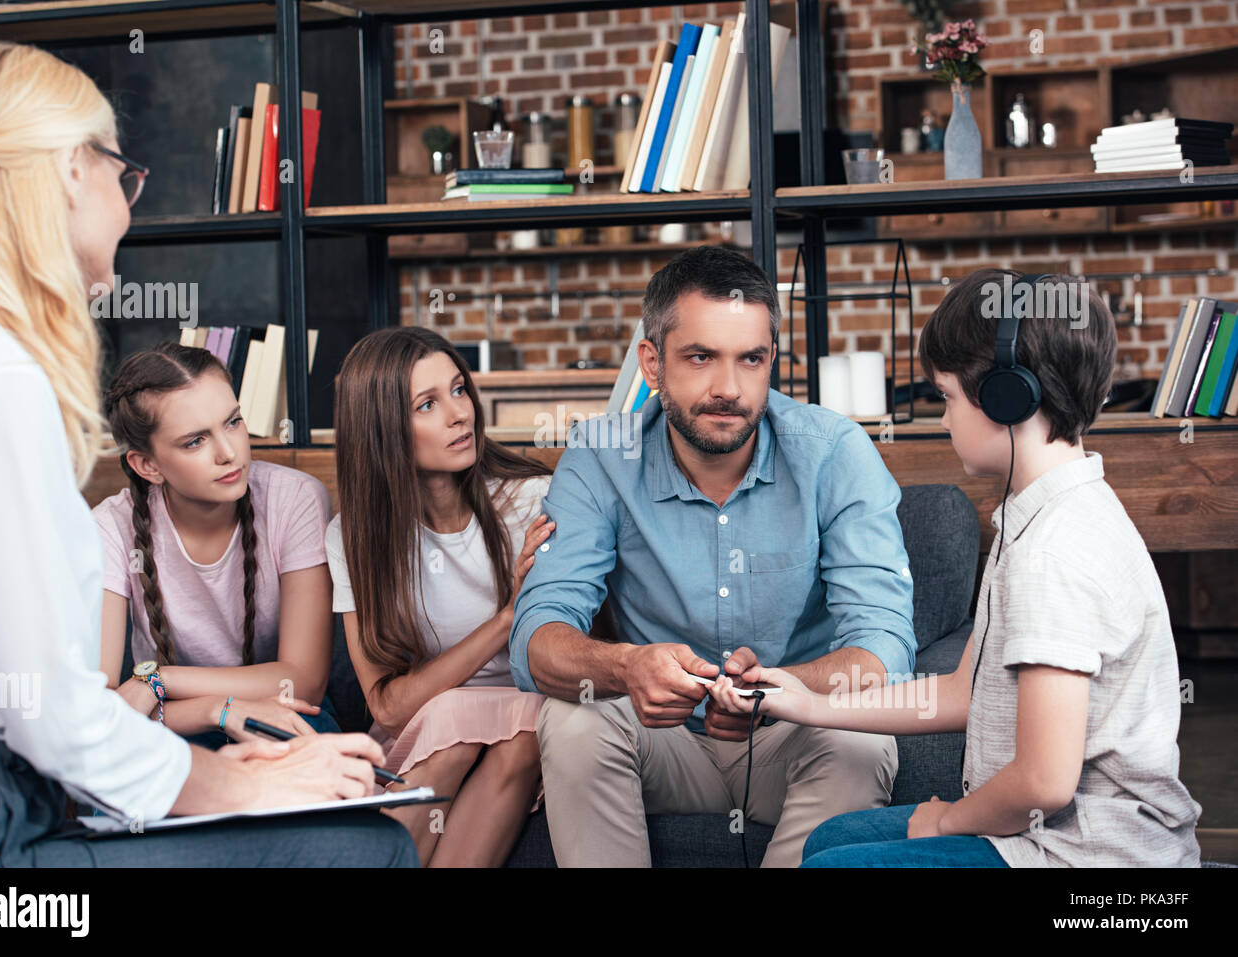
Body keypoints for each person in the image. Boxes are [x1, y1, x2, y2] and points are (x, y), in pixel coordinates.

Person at [0, 41, 415, 866]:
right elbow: (52, 711)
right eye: (124, 177)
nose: (128, 208)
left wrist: (207, 750)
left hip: (3, 790)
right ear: (68, 174)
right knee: (356, 846)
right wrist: (246, 785)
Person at [709, 269, 1203, 867]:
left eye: (945, 396)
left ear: (1006, 398)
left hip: (1087, 856)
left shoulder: (1055, 553)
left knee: (834, 866)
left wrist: (946, 820)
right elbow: (960, 692)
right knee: (830, 841)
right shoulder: (1033, 514)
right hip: (1040, 835)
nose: (943, 419)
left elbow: (1044, 784)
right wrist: (805, 700)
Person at [510, 245, 918, 867]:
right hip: (663, 744)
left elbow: (884, 649)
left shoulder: (835, 452)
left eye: (750, 359)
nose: (728, 389)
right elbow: (537, 637)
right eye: (701, 357)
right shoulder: (600, 455)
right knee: (573, 724)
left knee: (860, 741)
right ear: (652, 362)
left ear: (771, 361)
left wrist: (778, 691)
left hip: (794, 737)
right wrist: (626, 667)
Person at [327, 327, 551, 866]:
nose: (460, 414)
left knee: (523, 732)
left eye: (458, 390)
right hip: (427, 735)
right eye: (427, 404)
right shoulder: (352, 535)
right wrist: (507, 618)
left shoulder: (531, 503)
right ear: (382, 429)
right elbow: (385, 703)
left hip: (526, 719)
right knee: (452, 719)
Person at [95, 342, 342, 747]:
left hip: (277, 715)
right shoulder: (110, 528)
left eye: (233, 422)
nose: (229, 453)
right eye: (195, 441)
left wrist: (159, 679)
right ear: (148, 465)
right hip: (166, 727)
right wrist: (217, 710)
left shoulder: (295, 499)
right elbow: (105, 710)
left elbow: (303, 682)